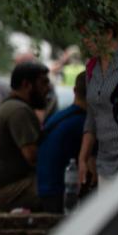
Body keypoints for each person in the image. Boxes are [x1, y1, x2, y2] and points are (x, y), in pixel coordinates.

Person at [0, 62, 51, 212]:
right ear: (27, 84)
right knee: (53, 183)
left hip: (2, 192)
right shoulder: (19, 110)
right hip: (2, 194)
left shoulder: (14, 106)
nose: (48, 88)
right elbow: (33, 157)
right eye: (43, 83)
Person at [79, 9, 118, 187]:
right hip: (105, 161)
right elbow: (91, 116)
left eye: (90, 35)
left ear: (109, 33)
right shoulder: (91, 68)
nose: (85, 40)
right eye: (83, 35)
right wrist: (83, 157)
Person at [37, 71, 87, 213]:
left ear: (74, 91)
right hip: (61, 192)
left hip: (44, 187)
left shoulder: (58, 117)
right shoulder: (83, 123)